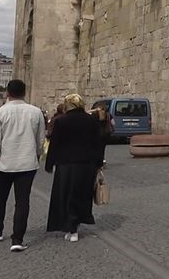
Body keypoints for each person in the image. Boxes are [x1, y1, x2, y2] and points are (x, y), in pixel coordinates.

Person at [0, 79, 46, 252]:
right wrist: (38, 155)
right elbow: (41, 139)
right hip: (27, 163)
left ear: (7, 94)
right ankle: (17, 239)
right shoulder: (36, 112)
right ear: (25, 93)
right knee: (23, 201)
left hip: (4, 164)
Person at [45, 94, 104, 242]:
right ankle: (75, 227)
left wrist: (49, 163)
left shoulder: (61, 121)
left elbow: (55, 144)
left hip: (65, 164)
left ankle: (68, 226)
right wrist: (99, 163)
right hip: (86, 164)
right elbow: (98, 143)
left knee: (65, 194)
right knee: (81, 194)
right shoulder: (91, 121)